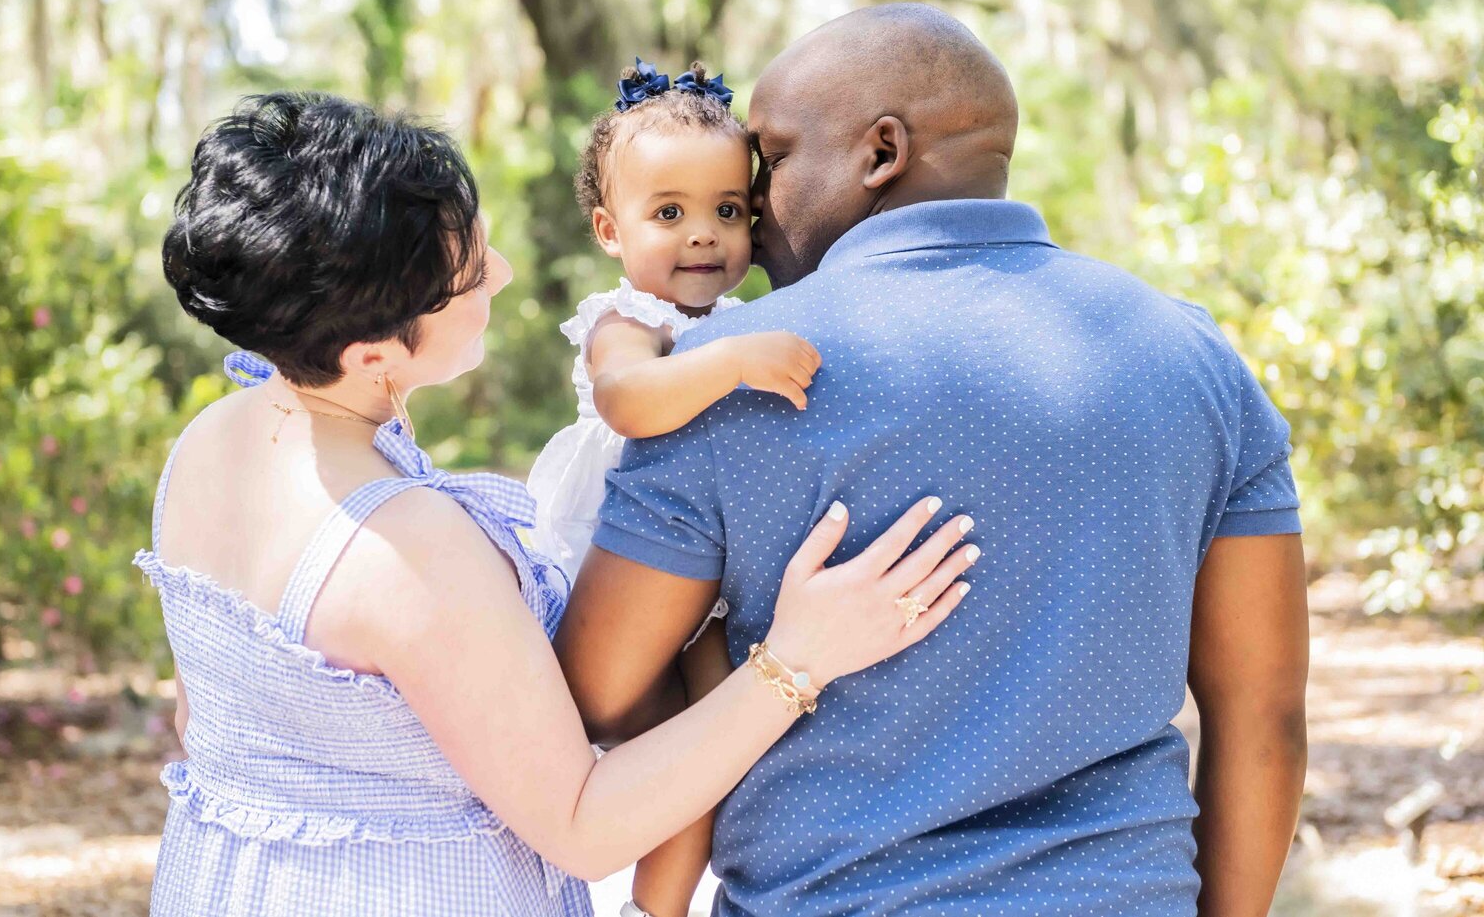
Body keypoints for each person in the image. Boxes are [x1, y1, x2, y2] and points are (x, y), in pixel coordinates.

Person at [140, 90, 978, 916]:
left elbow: (204, 712)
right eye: (470, 274)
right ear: (370, 354)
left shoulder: (215, 440)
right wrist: (800, 656)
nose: (499, 273)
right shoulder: (406, 548)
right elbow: (583, 825)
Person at [557, 3, 1310, 917]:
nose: (753, 201)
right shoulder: (1196, 359)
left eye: (776, 158)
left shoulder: (729, 379)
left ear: (881, 152)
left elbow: (597, 691)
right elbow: (1263, 717)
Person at [525, 57, 823, 915]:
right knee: (661, 751)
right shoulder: (628, 323)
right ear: (609, 229)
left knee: (707, 759)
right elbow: (628, 402)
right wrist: (731, 365)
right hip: (617, 557)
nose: (703, 235)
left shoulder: (740, 322)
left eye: (728, 211)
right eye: (669, 213)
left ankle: (663, 904)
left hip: (709, 581)